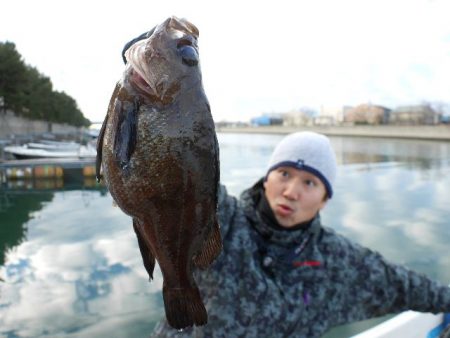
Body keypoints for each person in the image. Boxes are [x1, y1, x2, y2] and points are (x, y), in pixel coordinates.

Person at [121, 32, 450, 338]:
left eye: (310, 182)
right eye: (284, 174)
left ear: (324, 200)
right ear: (266, 180)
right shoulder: (223, 220)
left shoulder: (337, 259)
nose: (292, 190)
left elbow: (402, 284)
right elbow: (175, 172)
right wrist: (157, 61)